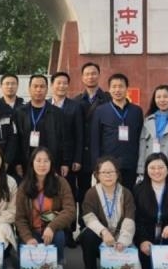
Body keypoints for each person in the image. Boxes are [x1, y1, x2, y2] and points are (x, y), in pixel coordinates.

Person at [15, 147, 76, 269]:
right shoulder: (24, 186)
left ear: (51, 163)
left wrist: (52, 227)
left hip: (52, 231)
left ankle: (58, 266)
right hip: (32, 232)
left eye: (46, 161)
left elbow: (70, 210)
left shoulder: (61, 183)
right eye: (38, 161)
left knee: (59, 235)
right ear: (32, 163)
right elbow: (20, 218)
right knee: (28, 259)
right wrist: (28, 238)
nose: (42, 165)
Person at [78, 156, 135, 269]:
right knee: (87, 235)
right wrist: (103, 232)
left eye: (111, 172)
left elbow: (129, 218)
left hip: (120, 236)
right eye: (104, 172)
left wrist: (123, 240)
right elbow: (89, 217)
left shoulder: (126, 193)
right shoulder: (91, 193)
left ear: (117, 174)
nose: (108, 175)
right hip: (101, 237)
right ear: (97, 175)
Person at [90, 73, 143, 190]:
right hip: (108, 164)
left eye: (121, 86)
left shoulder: (136, 111)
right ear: (109, 89)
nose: (117, 90)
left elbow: (140, 138)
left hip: (130, 163)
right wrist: (96, 164)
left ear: (127, 88)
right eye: (114, 87)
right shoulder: (100, 110)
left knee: (129, 195)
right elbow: (95, 140)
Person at [50, 71, 83, 247]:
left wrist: (75, 159)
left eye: (65, 83)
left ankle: (69, 231)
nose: (61, 86)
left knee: (68, 195)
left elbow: (79, 134)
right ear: (52, 85)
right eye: (58, 83)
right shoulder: (46, 105)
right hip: (48, 160)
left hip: (67, 161)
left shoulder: (74, 107)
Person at [14, 74, 70, 178]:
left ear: (47, 89)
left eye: (42, 86)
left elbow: (64, 139)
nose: (38, 90)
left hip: (51, 161)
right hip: (27, 162)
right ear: (29, 89)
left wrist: (65, 162)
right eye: (35, 86)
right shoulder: (20, 112)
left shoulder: (57, 113)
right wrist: (17, 163)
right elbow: (17, 139)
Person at [73, 62, 110, 216]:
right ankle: (84, 223)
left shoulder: (108, 99)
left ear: (99, 75)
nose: (90, 77)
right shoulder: (76, 101)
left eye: (94, 73)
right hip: (82, 156)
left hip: (102, 152)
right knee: (83, 192)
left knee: (105, 191)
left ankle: (104, 221)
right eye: (87, 74)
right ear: (82, 77)